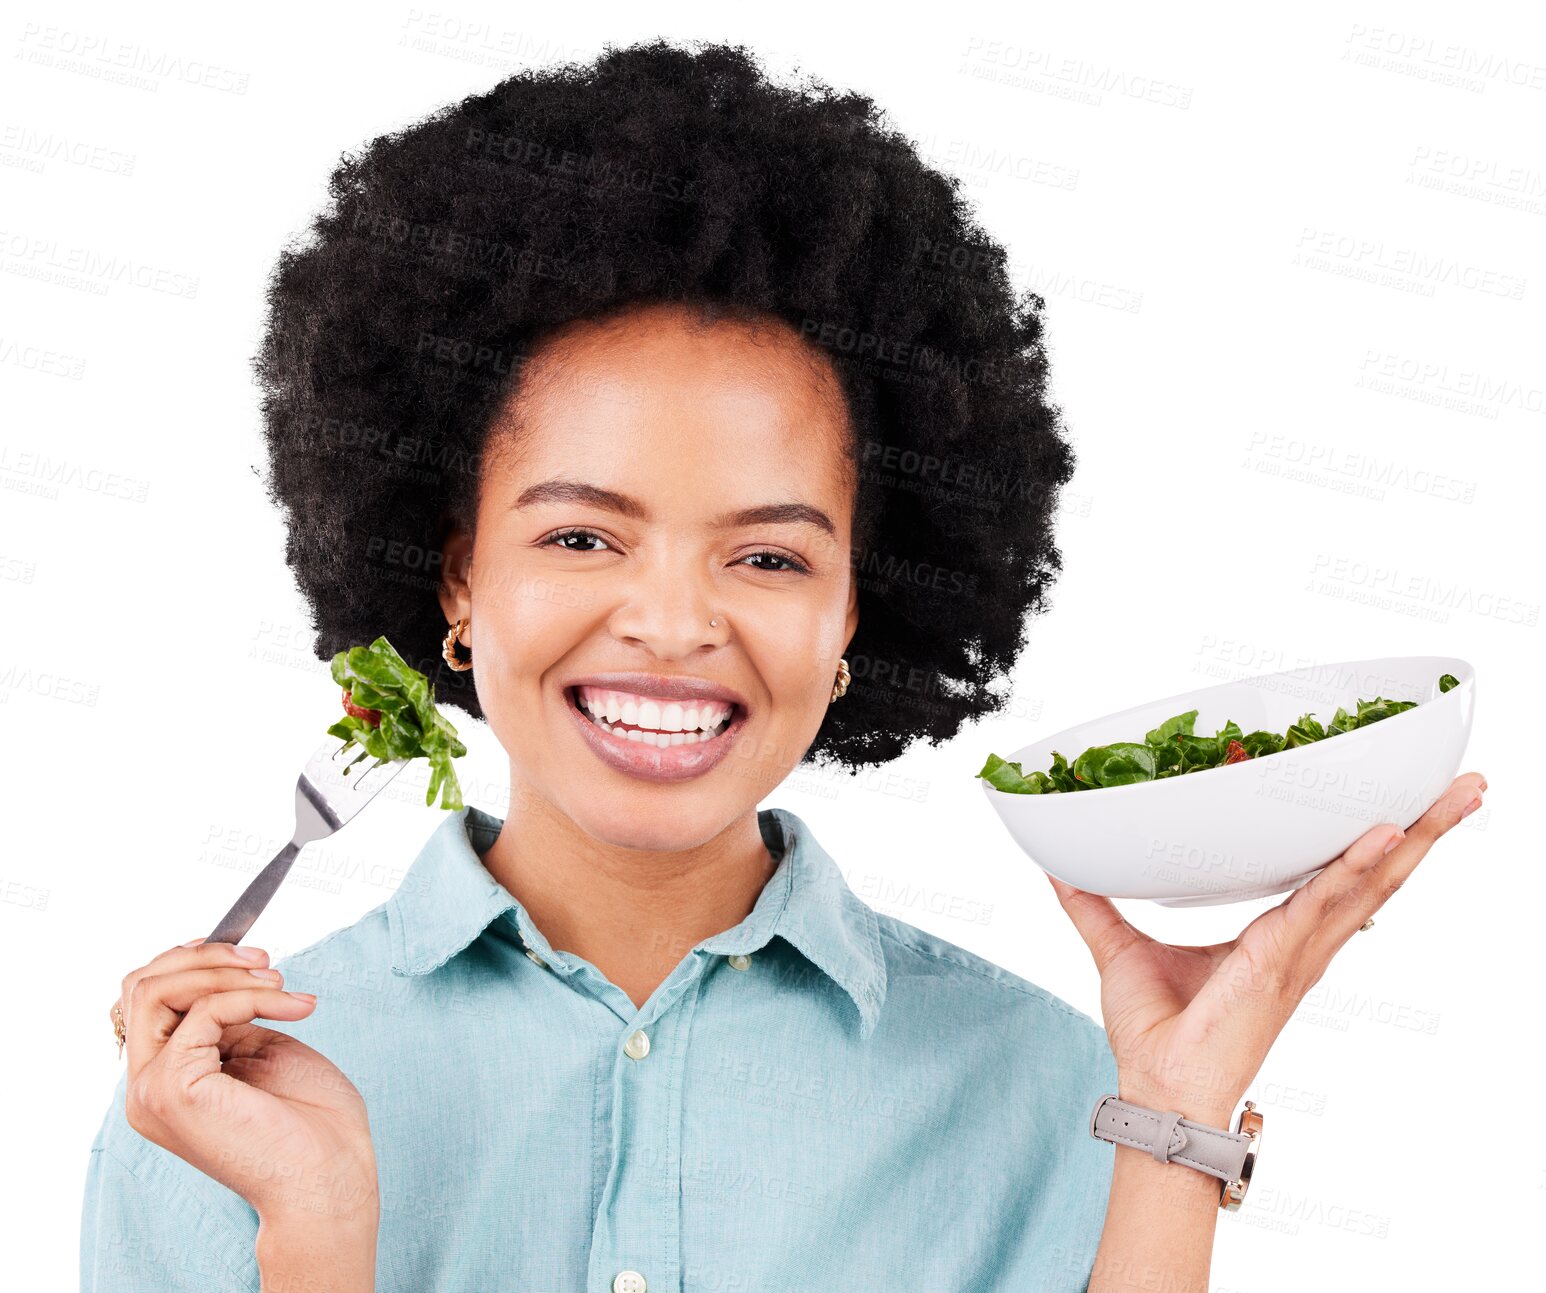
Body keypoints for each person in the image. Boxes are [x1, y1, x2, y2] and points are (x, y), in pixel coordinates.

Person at [81, 39, 1486, 1292]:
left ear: (856, 614)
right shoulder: (209, 1112)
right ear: (456, 576)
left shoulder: (1057, 1092)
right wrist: (317, 1236)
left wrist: (1177, 1117)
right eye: (582, 534)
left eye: (767, 557)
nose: (676, 623)